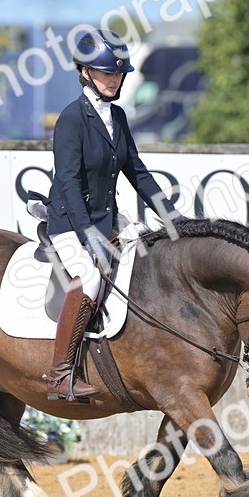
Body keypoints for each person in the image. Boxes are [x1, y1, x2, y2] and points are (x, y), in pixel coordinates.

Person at [44, 28, 184, 400]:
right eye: (108, 73)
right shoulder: (71, 119)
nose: (115, 80)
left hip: (108, 221)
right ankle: (60, 375)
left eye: (119, 74)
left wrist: (172, 216)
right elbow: (69, 181)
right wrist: (87, 232)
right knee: (89, 276)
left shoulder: (117, 116)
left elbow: (137, 172)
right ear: (86, 72)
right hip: (69, 222)